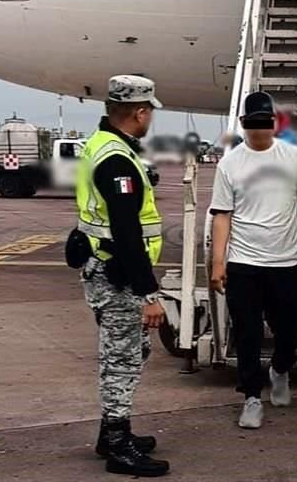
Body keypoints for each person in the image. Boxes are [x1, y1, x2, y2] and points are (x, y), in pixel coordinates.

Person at [76, 75, 170, 477]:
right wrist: (149, 292)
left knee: (132, 353)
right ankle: (117, 445)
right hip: (120, 276)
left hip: (106, 268)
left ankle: (112, 432)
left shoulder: (100, 145)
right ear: (140, 111)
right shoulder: (117, 160)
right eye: (150, 113)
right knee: (122, 360)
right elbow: (128, 232)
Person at [209, 91, 297, 430]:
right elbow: (222, 216)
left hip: (285, 260)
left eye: (264, 123)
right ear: (243, 125)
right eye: (252, 124)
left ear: (274, 123)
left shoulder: (294, 157)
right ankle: (252, 397)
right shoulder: (230, 163)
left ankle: (281, 369)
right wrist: (217, 262)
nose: (259, 130)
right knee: (248, 332)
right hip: (244, 262)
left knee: (293, 322)